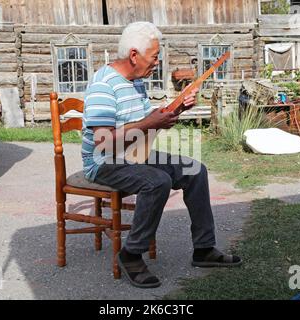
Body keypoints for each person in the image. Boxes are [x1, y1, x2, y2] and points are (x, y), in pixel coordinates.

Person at [81, 21, 241, 288]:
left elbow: (147, 122)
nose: (157, 62)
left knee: (195, 170)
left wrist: (176, 110)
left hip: (134, 154)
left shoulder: (136, 82)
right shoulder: (103, 85)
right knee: (156, 181)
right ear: (134, 55)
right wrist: (149, 123)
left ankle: (204, 249)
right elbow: (103, 142)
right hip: (104, 162)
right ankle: (131, 254)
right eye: (154, 57)